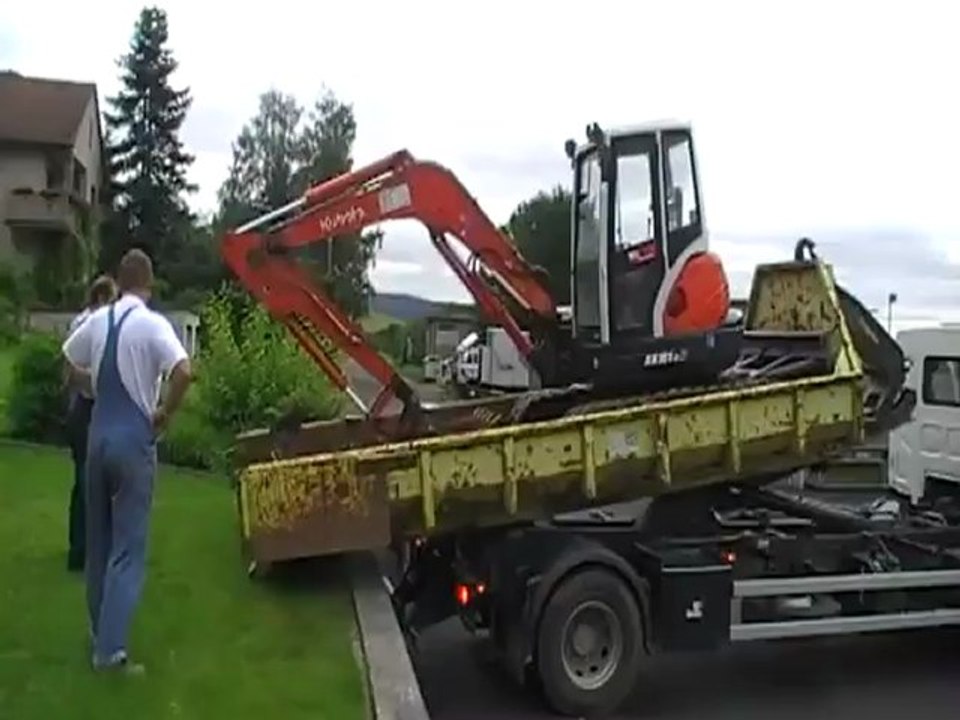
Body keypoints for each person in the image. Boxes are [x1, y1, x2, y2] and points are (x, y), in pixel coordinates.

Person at [62, 248, 193, 673]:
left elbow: (67, 359)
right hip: (132, 440)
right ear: (149, 285)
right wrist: (164, 414)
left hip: (96, 435)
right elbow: (183, 371)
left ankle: (98, 633)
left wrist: (92, 383)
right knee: (127, 549)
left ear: (118, 283)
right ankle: (110, 652)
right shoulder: (153, 325)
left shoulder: (97, 320)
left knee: (98, 544)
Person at [65, 275, 118, 572]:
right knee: (91, 482)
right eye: (112, 300)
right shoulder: (92, 324)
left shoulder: (83, 322)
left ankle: (80, 550)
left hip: (82, 408)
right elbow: (74, 368)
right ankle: (91, 552)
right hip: (89, 407)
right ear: (101, 299)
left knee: (83, 482)